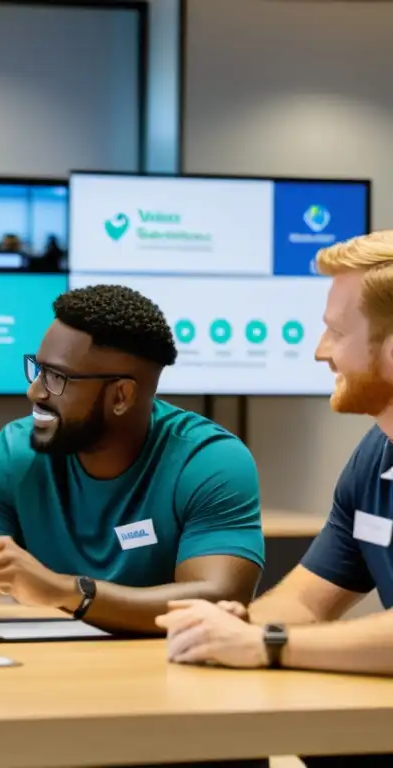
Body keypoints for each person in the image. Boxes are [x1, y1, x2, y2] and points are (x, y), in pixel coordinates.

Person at [157, 231, 393, 767]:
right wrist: (230, 632)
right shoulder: (376, 455)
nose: (320, 350)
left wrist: (269, 644)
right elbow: (308, 601)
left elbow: (286, 630)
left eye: (336, 332)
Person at [0, 284, 265, 636]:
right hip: (45, 669)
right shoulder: (14, 455)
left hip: (169, 671)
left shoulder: (209, 461)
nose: (35, 391)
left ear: (121, 395)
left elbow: (219, 600)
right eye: (37, 370)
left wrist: (65, 591)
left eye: (56, 377)